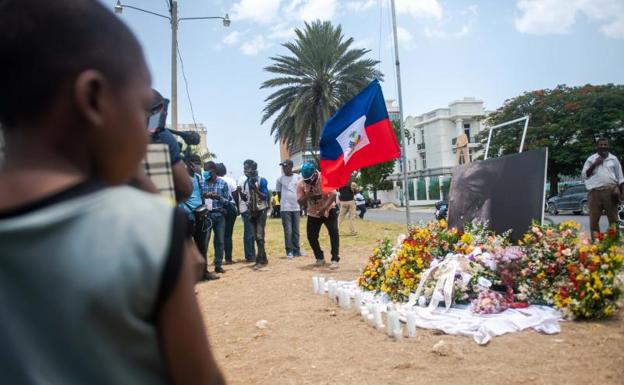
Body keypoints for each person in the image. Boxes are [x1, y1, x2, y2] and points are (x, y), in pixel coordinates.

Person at [0, 1, 225, 384]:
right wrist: (152, 203)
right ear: (93, 99)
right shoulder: (146, 230)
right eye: (143, 112)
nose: (149, 132)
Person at [180, 155, 219, 281]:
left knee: (202, 244)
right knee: (188, 246)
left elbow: (200, 193)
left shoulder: (198, 177)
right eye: (197, 163)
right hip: (187, 213)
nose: (199, 166)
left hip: (200, 213)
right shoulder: (181, 177)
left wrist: (208, 196)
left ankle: (204, 272)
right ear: (190, 164)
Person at [297, 162, 340, 269]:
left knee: (333, 232)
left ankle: (335, 258)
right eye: (306, 180)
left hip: (329, 209)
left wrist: (324, 208)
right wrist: (307, 195)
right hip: (313, 212)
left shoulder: (324, 178)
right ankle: (319, 257)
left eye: (309, 180)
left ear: (315, 174)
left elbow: (333, 194)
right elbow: (300, 201)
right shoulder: (301, 183)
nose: (308, 182)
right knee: (311, 236)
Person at [582, 137, 624, 236]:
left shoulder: (613, 159)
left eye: (605, 145)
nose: (603, 147)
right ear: (597, 146)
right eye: (601, 145)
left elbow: (621, 178)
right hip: (594, 193)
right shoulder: (591, 159)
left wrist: (622, 194)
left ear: (608, 146)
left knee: (613, 220)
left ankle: (613, 244)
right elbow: (584, 175)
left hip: (610, 192)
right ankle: (596, 244)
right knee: (594, 221)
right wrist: (594, 164)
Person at [240, 159, 270, 269]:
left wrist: (256, 190)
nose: (245, 170)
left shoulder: (262, 180)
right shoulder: (245, 182)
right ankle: (264, 257)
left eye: (247, 168)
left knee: (259, 236)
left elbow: (265, 196)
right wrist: (242, 196)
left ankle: (259, 260)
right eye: (244, 168)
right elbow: (246, 197)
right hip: (251, 212)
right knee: (256, 237)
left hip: (261, 211)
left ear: (253, 169)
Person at [202, 161, 230, 274]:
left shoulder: (223, 183)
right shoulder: (203, 184)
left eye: (206, 171)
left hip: (219, 215)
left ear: (213, 171)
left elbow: (227, 201)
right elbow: (200, 198)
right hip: (207, 216)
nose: (204, 173)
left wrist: (219, 198)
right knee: (205, 242)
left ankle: (218, 265)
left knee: (220, 241)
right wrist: (205, 196)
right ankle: (204, 268)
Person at [276, 159, 303, 259]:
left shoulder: (298, 177)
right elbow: (279, 195)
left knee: (296, 230)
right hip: (285, 208)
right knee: (288, 231)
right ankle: (289, 251)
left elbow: (301, 191)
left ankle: (297, 250)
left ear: (291, 167)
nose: (283, 168)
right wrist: (284, 203)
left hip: (296, 207)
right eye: (282, 166)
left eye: (285, 166)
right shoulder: (280, 179)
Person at [215, 163, 238, 265]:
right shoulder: (231, 180)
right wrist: (237, 208)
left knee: (218, 234)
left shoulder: (213, 181)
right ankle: (228, 258)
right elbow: (235, 195)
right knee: (228, 234)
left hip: (219, 208)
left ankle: (218, 258)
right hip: (231, 207)